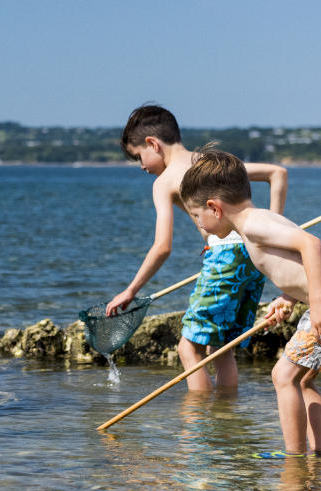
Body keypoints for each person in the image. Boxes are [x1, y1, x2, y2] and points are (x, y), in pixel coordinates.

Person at [179, 149, 321, 458]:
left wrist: (317, 303)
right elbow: (301, 266)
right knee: (303, 380)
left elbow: (310, 245)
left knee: (282, 376)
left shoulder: (253, 226)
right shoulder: (264, 219)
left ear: (214, 208)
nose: (200, 226)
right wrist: (288, 298)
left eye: (196, 217)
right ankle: (320, 455)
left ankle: (295, 459)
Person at [106, 105, 287, 393]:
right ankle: (226, 419)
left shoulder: (164, 183)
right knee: (222, 348)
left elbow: (162, 247)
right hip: (252, 255)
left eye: (139, 157)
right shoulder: (214, 162)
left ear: (153, 144)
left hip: (224, 257)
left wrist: (131, 290)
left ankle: (198, 427)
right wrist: (271, 230)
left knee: (188, 349)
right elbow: (277, 173)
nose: (142, 166)